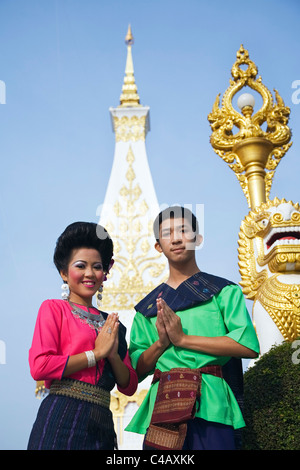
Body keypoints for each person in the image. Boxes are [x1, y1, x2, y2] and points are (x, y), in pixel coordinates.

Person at [125, 206, 260, 450]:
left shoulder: (224, 292)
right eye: (167, 233)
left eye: (184, 231)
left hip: (212, 407)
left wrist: (183, 339)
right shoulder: (147, 309)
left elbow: (247, 345)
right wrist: (161, 344)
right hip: (163, 410)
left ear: (197, 238)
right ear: (158, 246)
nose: (176, 238)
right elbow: (136, 370)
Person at [27, 222, 138, 450]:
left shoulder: (113, 324)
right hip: (61, 415)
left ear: (105, 273)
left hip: (102, 421)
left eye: (97, 266)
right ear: (64, 273)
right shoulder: (53, 309)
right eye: (81, 266)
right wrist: (96, 354)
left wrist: (113, 355)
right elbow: (40, 366)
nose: (89, 273)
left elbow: (129, 387)